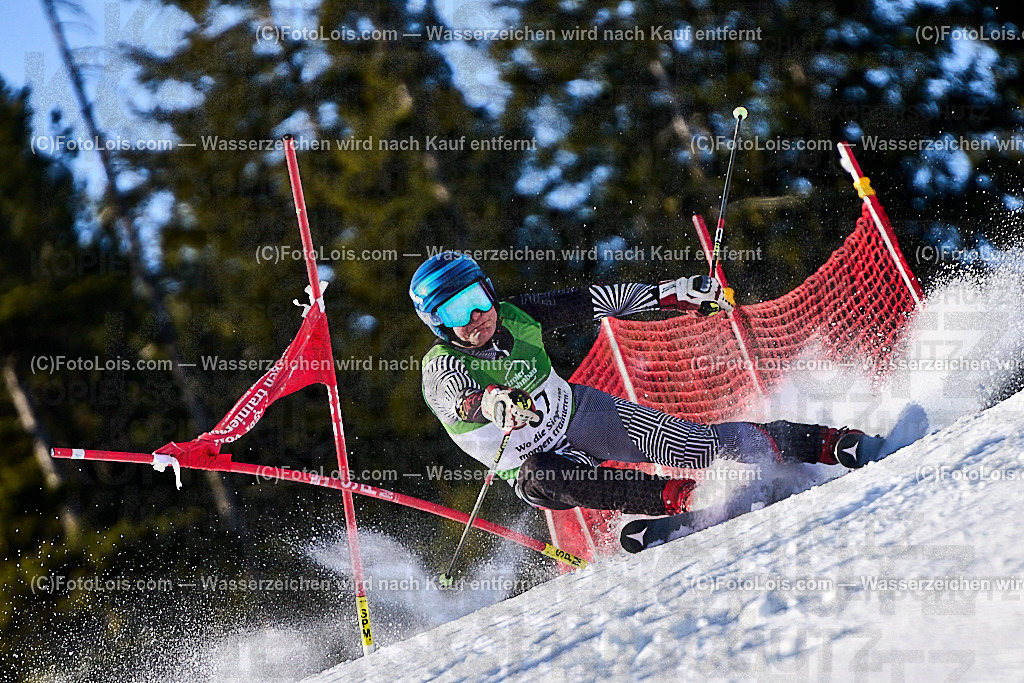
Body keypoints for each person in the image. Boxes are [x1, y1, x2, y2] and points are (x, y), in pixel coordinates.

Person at [410, 251, 880, 517]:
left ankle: (825, 443)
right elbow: (458, 398)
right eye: (454, 313)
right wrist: (492, 404)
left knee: (698, 447)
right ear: (438, 325)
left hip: (581, 416)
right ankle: (681, 501)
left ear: (489, 292)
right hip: (545, 463)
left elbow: (597, 300)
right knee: (540, 479)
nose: (474, 318)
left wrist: (670, 293)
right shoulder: (440, 365)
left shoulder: (518, 314)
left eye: (475, 300)